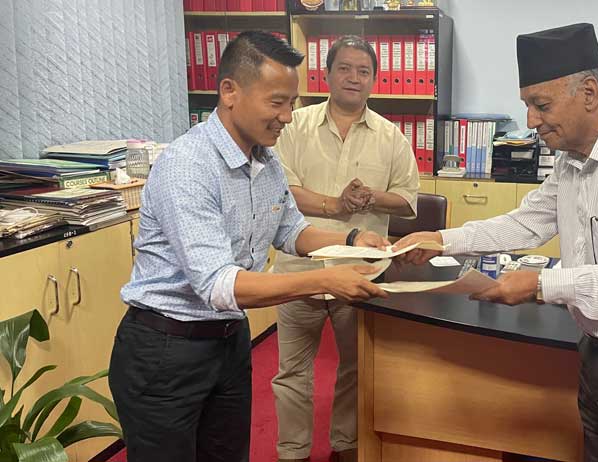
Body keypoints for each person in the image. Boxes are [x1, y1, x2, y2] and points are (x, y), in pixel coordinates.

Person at [394, 23, 598, 462]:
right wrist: (442, 240)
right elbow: (527, 223)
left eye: (540, 105)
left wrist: (540, 285)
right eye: (527, 105)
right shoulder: (570, 159)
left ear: (588, 92)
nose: (530, 121)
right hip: (597, 343)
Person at [109, 31, 390, 462]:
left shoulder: (265, 160)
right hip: (166, 349)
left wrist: (352, 240)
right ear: (229, 92)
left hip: (227, 341)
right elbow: (219, 284)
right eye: (276, 102)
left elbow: (291, 230)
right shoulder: (188, 166)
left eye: (292, 103)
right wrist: (326, 280)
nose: (287, 117)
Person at [271, 35, 420, 462]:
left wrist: (373, 196)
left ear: (374, 79)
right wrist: (334, 205)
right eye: (345, 68)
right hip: (299, 269)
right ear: (326, 74)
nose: (354, 78)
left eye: (363, 71)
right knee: (292, 371)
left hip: (359, 274)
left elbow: (408, 199)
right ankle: (293, 452)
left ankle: (346, 446)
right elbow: (280, 189)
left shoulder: (390, 136)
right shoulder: (293, 125)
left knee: (356, 368)